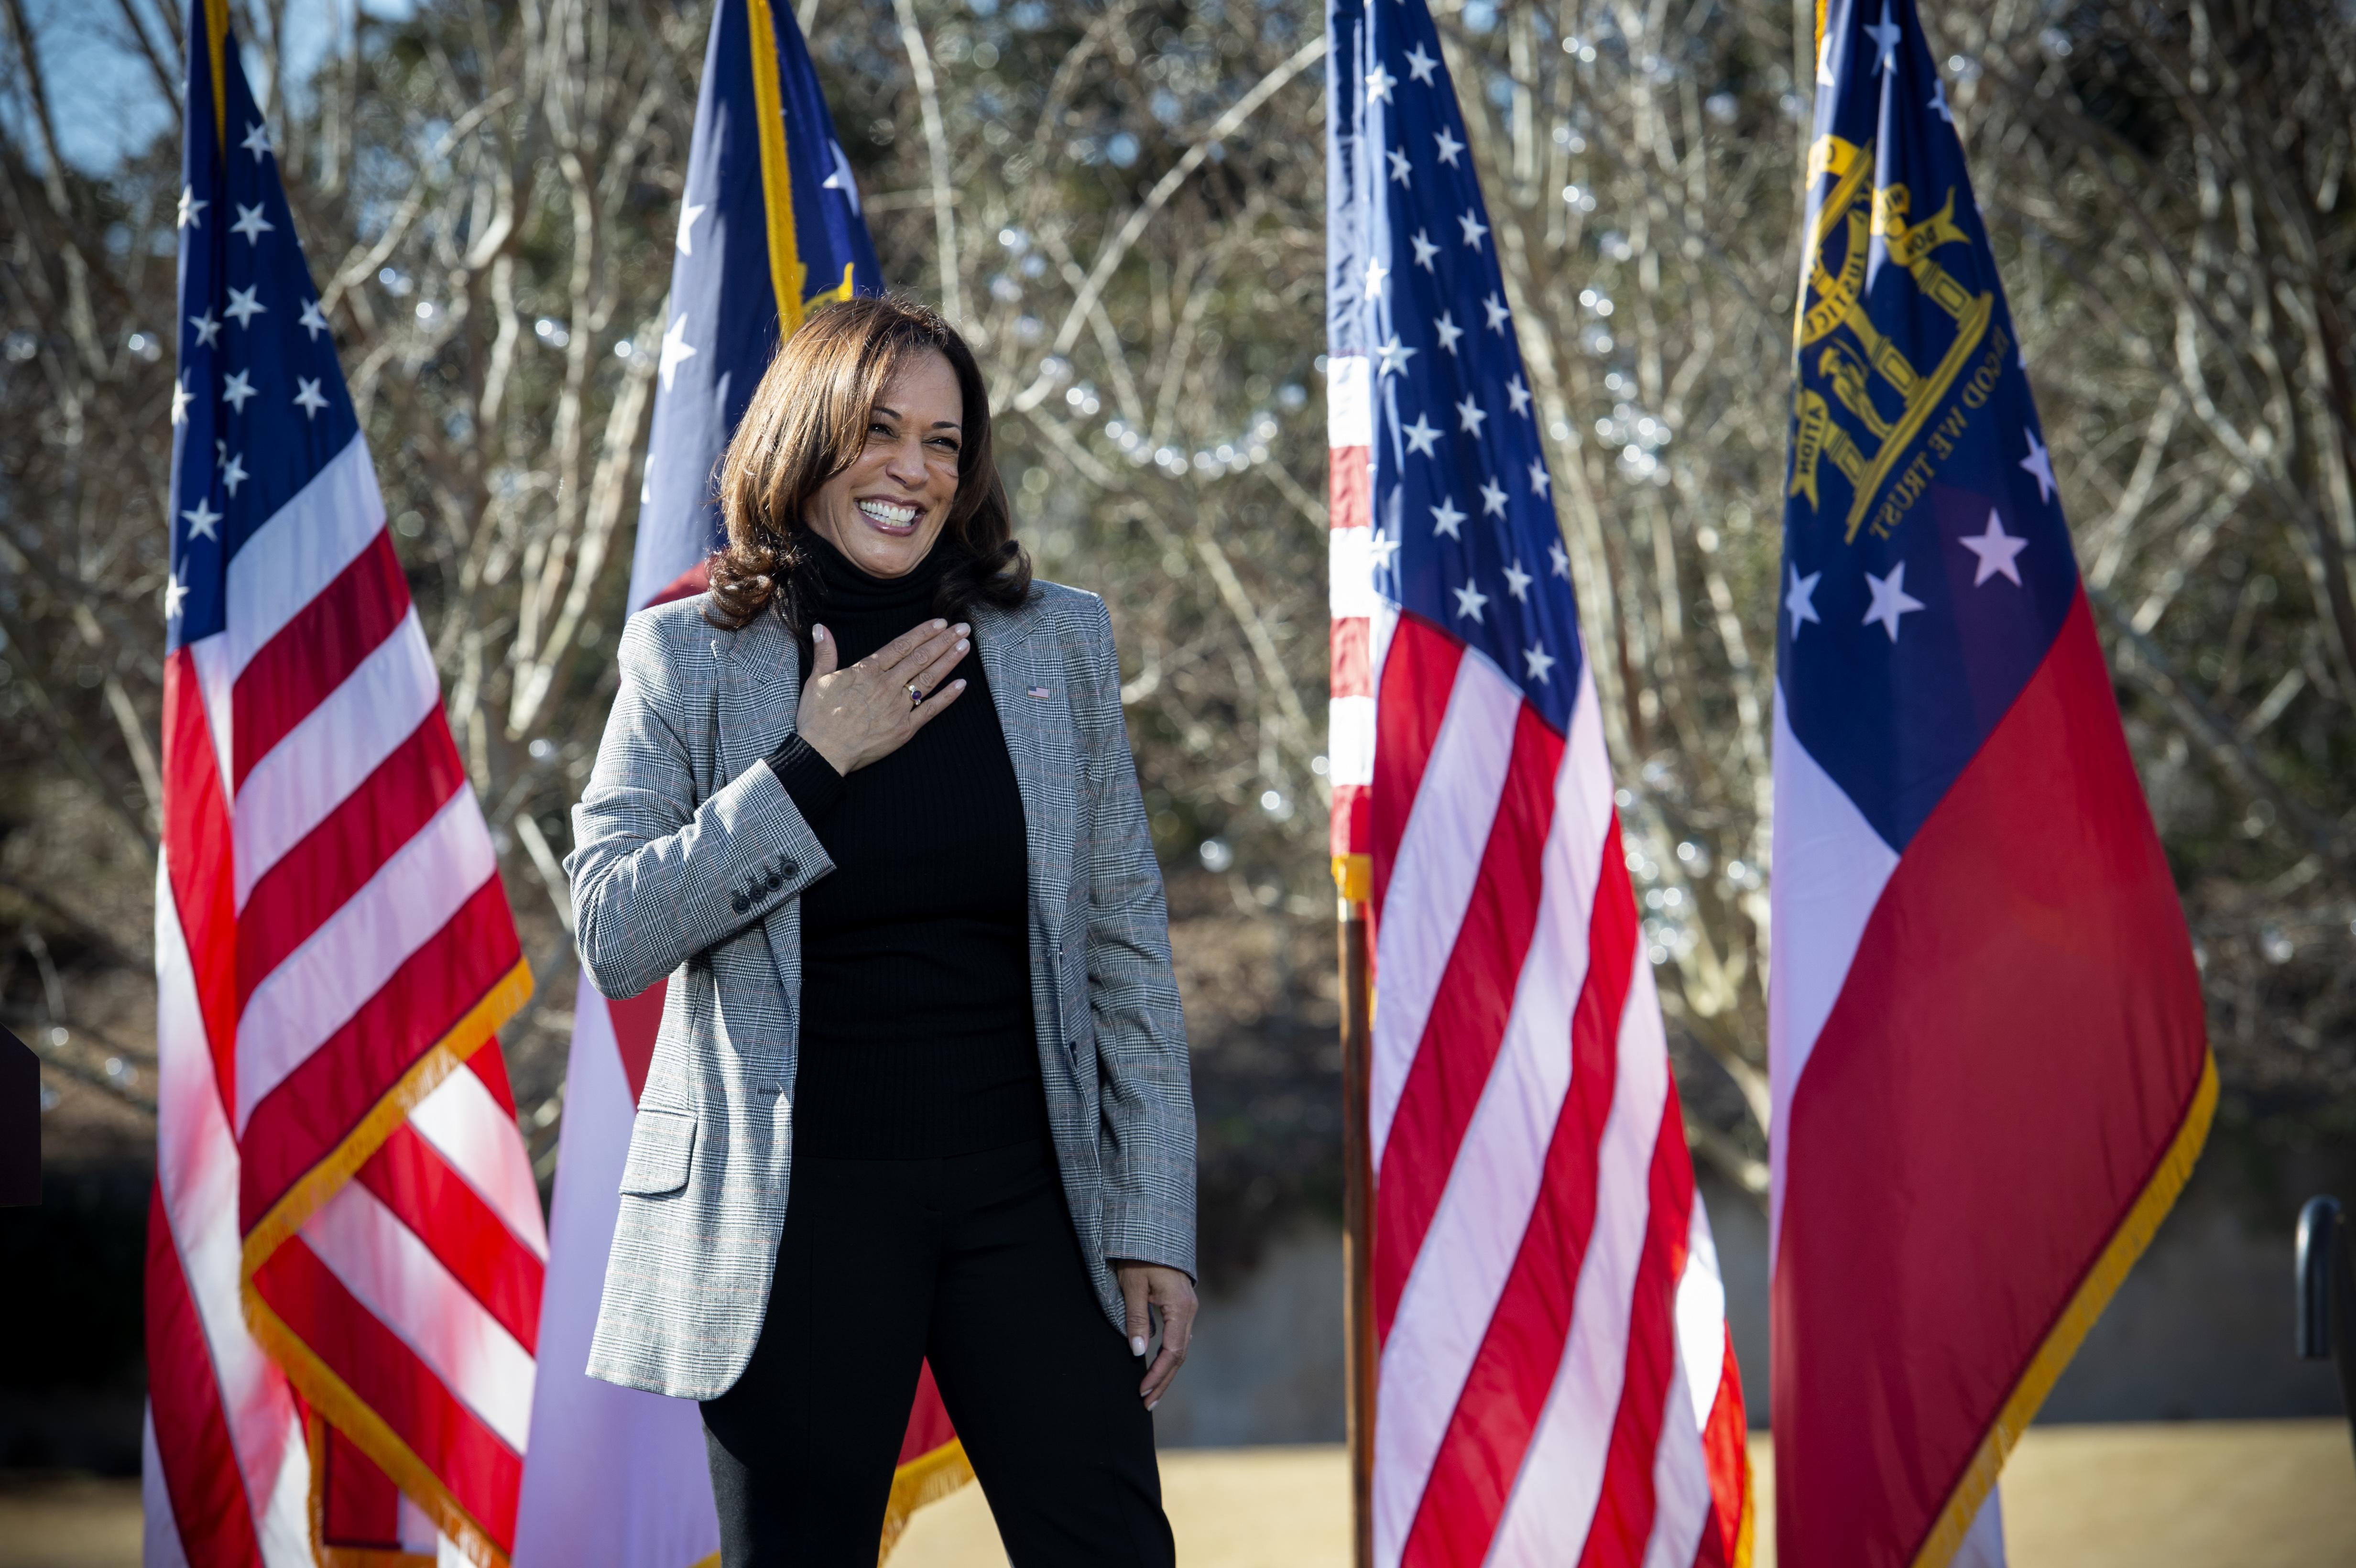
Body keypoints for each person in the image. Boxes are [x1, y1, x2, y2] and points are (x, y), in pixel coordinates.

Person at [566, 295, 1197, 1566]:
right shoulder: (687, 657)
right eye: (879, 429)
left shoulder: (1054, 639)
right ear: (805, 441)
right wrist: (814, 764)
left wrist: (1150, 1216)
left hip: (1032, 1198)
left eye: (945, 441)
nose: (915, 467)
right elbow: (616, 927)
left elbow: (1122, 937)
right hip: (793, 1215)